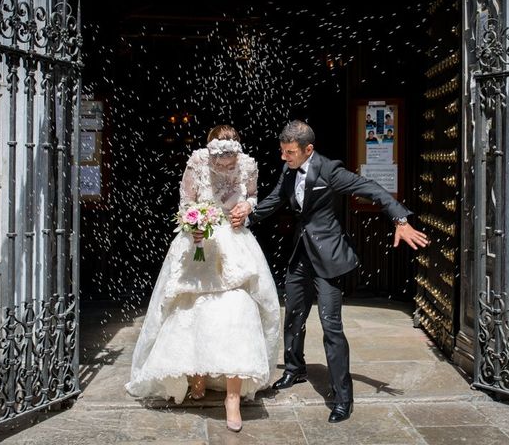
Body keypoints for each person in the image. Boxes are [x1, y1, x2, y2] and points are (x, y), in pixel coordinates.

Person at [230, 120, 428, 423]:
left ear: (308, 149)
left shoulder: (330, 170)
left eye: (290, 152)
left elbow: (371, 188)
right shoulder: (288, 168)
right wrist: (249, 214)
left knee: (331, 325)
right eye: (282, 152)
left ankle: (342, 397)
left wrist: (400, 220)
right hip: (300, 256)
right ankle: (295, 369)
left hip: (328, 258)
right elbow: (275, 199)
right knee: (294, 314)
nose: (284, 157)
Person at [125, 125, 280, 433]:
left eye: (229, 157)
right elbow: (185, 200)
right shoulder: (196, 162)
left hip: (235, 246)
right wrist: (193, 223)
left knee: (238, 313)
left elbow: (251, 195)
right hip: (200, 244)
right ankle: (197, 376)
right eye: (219, 157)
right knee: (193, 312)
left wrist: (246, 209)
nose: (224, 163)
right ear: (211, 150)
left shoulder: (248, 165)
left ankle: (232, 398)